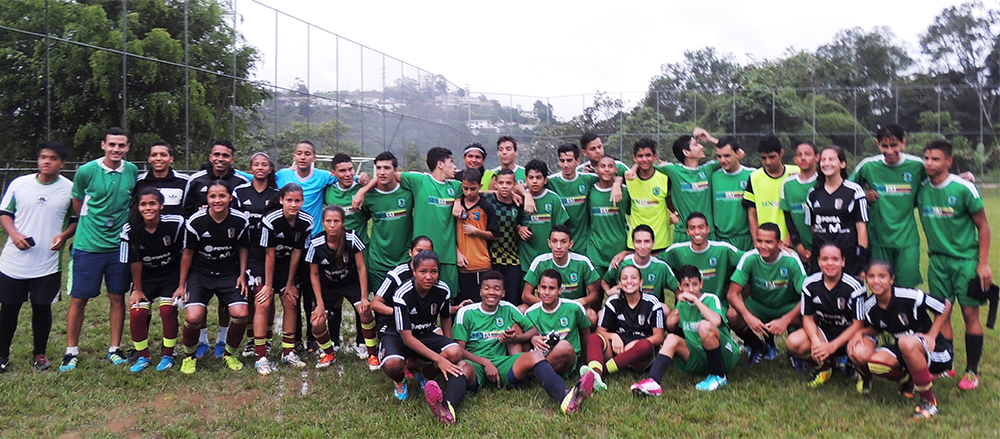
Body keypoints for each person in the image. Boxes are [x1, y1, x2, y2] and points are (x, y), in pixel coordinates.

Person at [434, 270, 595, 425]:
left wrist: (516, 338)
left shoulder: (508, 308)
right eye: (487, 288)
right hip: (476, 365)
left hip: (504, 363)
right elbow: (459, 349)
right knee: (461, 367)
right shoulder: (466, 313)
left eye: (497, 289)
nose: (492, 292)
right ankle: (448, 408)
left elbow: (533, 331)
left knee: (536, 356)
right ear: (480, 291)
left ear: (503, 293)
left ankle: (565, 398)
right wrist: (484, 362)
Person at [917, 138, 992, 390]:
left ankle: (972, 371)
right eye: (926, 158)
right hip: (937, 261)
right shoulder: (922, 188)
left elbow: (983, 225)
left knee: (970, 314)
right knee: (941, 313)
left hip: (966, 261)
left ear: (948, 161)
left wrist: (983, 264)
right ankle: (947, 366)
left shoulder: (963, 189)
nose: (929, 163)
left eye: (935, 158)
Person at [61, 127, 138, 372]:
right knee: (79, 299)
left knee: (117, 296)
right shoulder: (86, 171)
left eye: (121, 145)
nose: (116, 149)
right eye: (112, 144)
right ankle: (71, 350)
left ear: (127, 148)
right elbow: (77, 201)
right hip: (88, 246)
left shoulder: (133, 171)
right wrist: (89, 223)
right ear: (103, 145)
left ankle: (114, 348)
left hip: (118, 246)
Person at [0, 141, 75, 373]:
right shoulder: (19, 184)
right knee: (9, 308)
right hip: (13, 261)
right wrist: (14, 234)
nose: (46, 161)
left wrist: (62, 237)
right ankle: (2, 355)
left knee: (42, 308)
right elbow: (4, 213)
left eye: (52, 158)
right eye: (43, 157)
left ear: (62, 163)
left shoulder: (70, 189)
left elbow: (75, 220)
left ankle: (39, 354)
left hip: (48, 263)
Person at [847, 260, 952, 421]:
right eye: (871, 276)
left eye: (882, 276)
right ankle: (909, 379)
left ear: (891, 279)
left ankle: (928, 401)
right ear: (866, 279)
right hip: (906, 349)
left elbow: (945, 305)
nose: (876, 281)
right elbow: (878, 326)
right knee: (876, 362)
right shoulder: (870, 306)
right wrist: (859, 332)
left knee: (906, 342)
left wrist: (932, 334)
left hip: (935, 350)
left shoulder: (908, 296)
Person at [353, 147, 462, 296]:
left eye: (386, 167)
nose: (455, 166)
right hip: (405, 257)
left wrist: (458, 201)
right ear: (440, 164)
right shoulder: (418, 181)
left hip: (446, 256)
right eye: (452, 162)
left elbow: (472, 190)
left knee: (445, 301)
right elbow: (387, 176)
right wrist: (362, 190)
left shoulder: (455, 187)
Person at [181, 139, 250, 358]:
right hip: (202, 254)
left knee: (226, 304)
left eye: (225, 155)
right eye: (216, 154)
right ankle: (200, 342)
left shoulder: (240, 181)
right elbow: (185, 211)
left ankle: (222, 340)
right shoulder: (195, 180)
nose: (220, 159)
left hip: (228, 257)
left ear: (232, 159)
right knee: (196, 309)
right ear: (211, 157)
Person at [630, 265, 740, 395]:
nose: (691, 289)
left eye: (694, 284)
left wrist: (696, 301)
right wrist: (674, 314)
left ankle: (718, 375)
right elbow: (670, 322)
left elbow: (715, 321)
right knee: (671, 338)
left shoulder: (710, 299)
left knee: (704, 326)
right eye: (686, 285)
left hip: (723, 356)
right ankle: (653, 382)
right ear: (680, 287)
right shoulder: (682, 304)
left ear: (701, 284)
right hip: (698, 356)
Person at [276, 141, 339, 354]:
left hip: (313, 245)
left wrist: (364, 180)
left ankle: (313, 338)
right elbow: (256, 177)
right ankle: (294, 340)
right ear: (294, 155)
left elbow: (345, 177)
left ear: (314, 157)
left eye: (308, 153)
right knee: (292, 293)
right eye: (299, 153)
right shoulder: (282, 175)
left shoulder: (322, 176)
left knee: (312, 294)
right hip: (291, 245)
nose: (303, 157)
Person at [849, 125, 925, 288]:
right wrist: (864, 198)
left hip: (907, 240)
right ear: (878, 145)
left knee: (906, 290)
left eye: (894, 145)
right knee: (880, 288)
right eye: (885, 146)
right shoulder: (868, 166)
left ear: (903, 143)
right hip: (878, 240)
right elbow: (846, 191)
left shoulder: (917, 165)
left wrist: (963, 177)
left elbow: (938, 180)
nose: (889, 151)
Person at [120, 187, 185, 373]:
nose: (148, 208)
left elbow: (185, 254)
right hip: (145, 278)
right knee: (137, 313)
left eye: (152, 203)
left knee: (167, 310)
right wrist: (137, 289)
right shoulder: (130, 229)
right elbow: (134, 261)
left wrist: (181, 285)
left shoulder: (176, 223)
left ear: (161, 205)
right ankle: (143, 356)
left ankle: (168, 354)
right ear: (137, 207)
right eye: (143, 204)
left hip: (170, 275)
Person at [381, 251, 461, 401]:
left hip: (425, 332)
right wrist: (439, 359)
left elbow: (445, 316)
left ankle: (424, 375)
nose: (429, 276)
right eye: (423, 271)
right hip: (399, 336)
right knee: (393, 364)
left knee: (455, 352)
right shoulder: (402, 293)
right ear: (414, 272)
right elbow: (407, 338)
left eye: (434, 271)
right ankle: (400, 381)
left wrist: (448, 343)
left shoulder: (443, 289)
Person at [305, 205, 378, 369]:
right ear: (323, 222)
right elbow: (314, 274)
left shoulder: (351, 238)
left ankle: (372, 353)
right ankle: (329, 352)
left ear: (343, 223)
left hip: (350, 283)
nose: (332, 225)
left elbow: (361, 267)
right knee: (316, 323)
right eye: (328, 221)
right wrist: (320, 304)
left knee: (365, 312)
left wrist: (364, 296)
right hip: (328, 287)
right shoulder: (316, 243)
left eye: (336, 221)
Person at [785, 244, 865, 387]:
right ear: (819, 261)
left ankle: (862, 373)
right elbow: (807, 318)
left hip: (852, 334)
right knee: (794, 342)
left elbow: (858, 323)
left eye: (835, 259)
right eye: (825, 259)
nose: (830, 263)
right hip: (826, 331)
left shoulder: (855, 286)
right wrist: (815, 340)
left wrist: (833, 346)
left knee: (860, 353)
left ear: (843, 262)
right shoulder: (810, 284)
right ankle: (823, 368)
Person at [727, 222, 807, 365]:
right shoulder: (749, 258)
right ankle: (759, 347)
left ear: (779, 243)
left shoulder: (791, 260)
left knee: (809, 317)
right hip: (758, 306)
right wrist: (748, 316)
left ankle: (795, 352)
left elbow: (808, 296)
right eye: (759, 241)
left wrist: (786, 319)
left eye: (769, 242)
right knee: (732, 315)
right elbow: (732, 294)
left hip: (786, 307)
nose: (763, 246)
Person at [258, 183, 312, 374]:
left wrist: (289, 284)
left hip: (286, 265)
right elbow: (269, 255)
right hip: (263, 264)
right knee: (264, 303)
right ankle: (260, 356)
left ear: (302, 201)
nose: (293, 204)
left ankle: (288, 352)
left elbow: (297, 253)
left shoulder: (307, 221)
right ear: (281, 200)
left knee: (290, 301)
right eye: (289, 200)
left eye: (298, 200)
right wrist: (269, 286)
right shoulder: (271, 220)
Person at [583, 264, 666, 383]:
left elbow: (659, 336)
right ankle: (595, 374)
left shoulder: (652, 303)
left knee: (645, 346)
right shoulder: (613, 301)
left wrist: (636, 343)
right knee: (593, 338)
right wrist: (614, 336)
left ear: (641, 282)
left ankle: (603, 371)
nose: (629, 281)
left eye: (633, 278)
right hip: (617, 348)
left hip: (639, 354)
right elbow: (600, 331)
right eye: (625, 278)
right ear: (620, 283)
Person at [324, 153, 371, 359]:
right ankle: (334, 340)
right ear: (333, 173)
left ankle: (362, 342)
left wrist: (366, 183)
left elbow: (371, 213)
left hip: (359, 253)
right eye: (342, 170)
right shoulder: (328, 192)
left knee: (362, 299)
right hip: (334, 253)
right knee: (335, 298)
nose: (348, 174)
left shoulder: (362, 192)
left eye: (350, 169)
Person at [232, 152, 279, 359]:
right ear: (250, 169)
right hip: (246, 251)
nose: (260, 167)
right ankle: (253, 340)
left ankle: (266, 340)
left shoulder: (276, 194)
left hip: (269, 251)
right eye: (256, 164)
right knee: (251, 296)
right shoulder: (240, 192)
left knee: (268, 296)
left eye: (264, 164)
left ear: (270, 169)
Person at [797, 146, 868, 275]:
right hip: (821, 259)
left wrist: (861, 262)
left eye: (832, 159)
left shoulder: (854, 191)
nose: (827, 163)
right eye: (823, 160)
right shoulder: (813, 194)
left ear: (842, 164)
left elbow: (861, 229)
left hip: (847, 258)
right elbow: (813, 228)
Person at [661, 213, 741, 309]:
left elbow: (748, 260)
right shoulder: (676, 251)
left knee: (731, 316)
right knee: (670, 321)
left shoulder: (723, 249)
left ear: (708, 229)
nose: (697, 232)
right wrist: (677, 291)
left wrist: (732, 285)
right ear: (687, 231)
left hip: (716, 307)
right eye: (692, 228)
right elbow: (655, 264)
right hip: (687, 306)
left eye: (701, 227)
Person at [361, 151, 413, 298]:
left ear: (396, 170)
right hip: (378, 262)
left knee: (404, 304)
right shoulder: (369, 196)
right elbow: (361, 218)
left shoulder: (408, 192)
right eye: (378, 168)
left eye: (387, 168)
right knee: (381, 306)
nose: (382, 172)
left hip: (404, 260)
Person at [522, 225, 601, 322]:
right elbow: (525, 295)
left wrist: (580, 302)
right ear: (549, 243)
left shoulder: (582, 262)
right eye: (554, 241)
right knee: (521, 310)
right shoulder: (539, 262)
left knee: (592, 316)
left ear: (570, 244)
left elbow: (594, 294)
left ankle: (580, 336)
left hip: (572, 308)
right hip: (545, 307)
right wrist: (549, 304)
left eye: (563, 242)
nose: (558, 246)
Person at [547, 143, 613, 255]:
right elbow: (525, 186)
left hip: (584, 243)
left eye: (569, 160)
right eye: (562, 161)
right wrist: (526, 194)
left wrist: (617, 183)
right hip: (560, 244)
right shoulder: (551, 181)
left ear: (578, 161)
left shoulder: (588, 179)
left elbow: (611, 177)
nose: (565, 164)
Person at [655, 130, 720, 243]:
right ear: (686, 152)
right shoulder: (673, 170)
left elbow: (736, 153)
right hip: (684, 234)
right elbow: (644, 164)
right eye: (696, 144)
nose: (701, 146)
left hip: (707, 233)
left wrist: (710, 139)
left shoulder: (707, 169)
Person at [524, 269, 592, 375]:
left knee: (563, 346)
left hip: (569, 358)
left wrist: (583, 361)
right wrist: (532, 339)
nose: (546, 292)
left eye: (552, 288)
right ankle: (539, 372)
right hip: (543, 357)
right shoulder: (530, 313)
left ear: (560, 290)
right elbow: (527, 341)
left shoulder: (574, 308)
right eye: (543, 287)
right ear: (538, 289)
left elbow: (585, 333)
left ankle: (535, 374)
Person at [453, 168, 499, 307]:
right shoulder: (456, 207)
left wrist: (476, 231)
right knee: (462, 305)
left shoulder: (486, 207)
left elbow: (495, 235)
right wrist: (457, 253)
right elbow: (450, 234)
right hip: (461, 266)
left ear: (480, 186)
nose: (469, 192)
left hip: (481, 264)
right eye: (465, 188)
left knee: (478, 305)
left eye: (473, 189)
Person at [517, 159, 569, 275]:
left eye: (538, 177)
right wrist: (519, 228)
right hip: (525, 260)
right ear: (526, 179)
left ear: (545, 180)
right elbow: (513, 221)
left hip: (548, 259)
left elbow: (561, 228)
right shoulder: (519, 198)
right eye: (531, 178)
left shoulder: (553, 199)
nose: (534, 181)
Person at [743, 134, 800, 241]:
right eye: (763, 158)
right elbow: (752, 214)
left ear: (781, 153)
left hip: (793, 242)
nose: (768, 162)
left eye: (772, 157)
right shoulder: (754, 177)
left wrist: (792, 237)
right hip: (766, 243)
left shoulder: (796, 173)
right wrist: (757, 241)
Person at [603, 225, 678, 305]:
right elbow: (604, 281)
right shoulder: (621, 263)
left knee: (665, 309)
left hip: (651, 309)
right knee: (601, 314)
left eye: (647, 241)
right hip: (624, 308)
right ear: (633, 243)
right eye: (638, 241)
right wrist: (608, 291)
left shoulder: (661, 266)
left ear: (653, 243)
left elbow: (677, 290)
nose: (642, 246)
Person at [481, 169, 522, 304]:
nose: (505, 186)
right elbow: (472, 192)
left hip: (512, 259)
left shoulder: (518, 204)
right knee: (492, 299)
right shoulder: (488, 200)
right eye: (501, 183)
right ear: (496, 184)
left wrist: (520, 227)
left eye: (509, 183)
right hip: (492, 259)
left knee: (512, 299)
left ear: (514, 185)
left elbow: (520, 222)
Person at [626, 138, 674, 252]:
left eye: (648, 155)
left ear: (655, 157)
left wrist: (676, 214)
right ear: (634, 158)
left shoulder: (665, 178)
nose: (644, 159)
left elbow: (670, 203)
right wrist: (617, 183)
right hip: (636, 244)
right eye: (640, 156)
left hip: (660, 242)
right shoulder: (628, 178)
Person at [586, 156, 631, 276]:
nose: (606, 170)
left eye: (610, 166)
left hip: (619, 250)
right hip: (596, 251)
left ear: (616, 169)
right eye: (603, 166)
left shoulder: (625, 192)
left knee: (621, 291)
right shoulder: (590, 191)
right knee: (597, 293)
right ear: (596, 169)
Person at [711, 136, 755, 252]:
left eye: (727, 156)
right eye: (719, 156)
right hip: (720, 240)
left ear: (738, 154)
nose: (723, 160)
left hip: (746, 239)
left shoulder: (753, 175)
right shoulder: (713, 177)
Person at [781, 141, 819, 263]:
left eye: (807, 154)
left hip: (822, 248)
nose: (803, 158)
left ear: (817, 157)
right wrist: (800, 247)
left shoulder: (823, 183)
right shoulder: (787, 184)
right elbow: (788, 218)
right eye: (799, 154)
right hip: (799, 249)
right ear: (795, 159)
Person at [133, 141, 188, 216]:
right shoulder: (139, 181)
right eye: (154, 155)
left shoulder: (184, 181)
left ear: (171, 159)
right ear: (149, 159)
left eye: (163, 155)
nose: (158, 158)